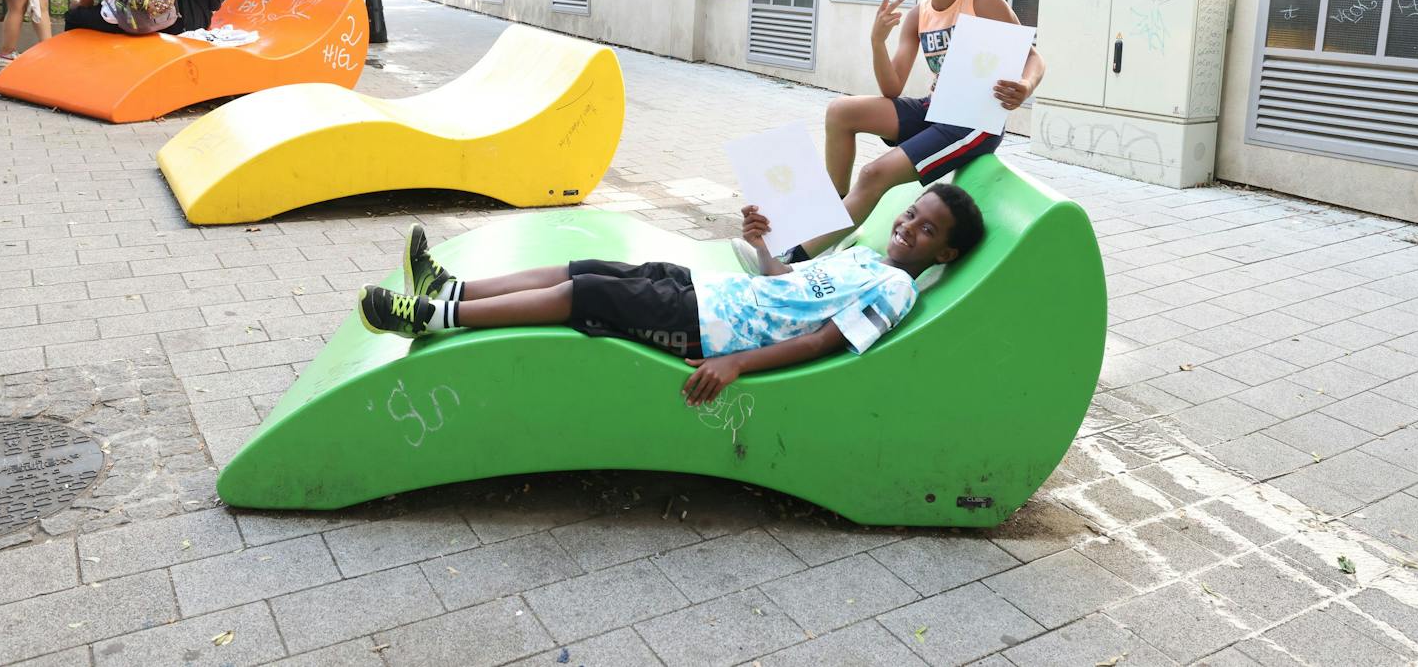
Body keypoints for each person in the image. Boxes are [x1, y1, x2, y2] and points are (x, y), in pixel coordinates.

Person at [355, 184, 986, 405]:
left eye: (926, 230)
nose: (907, 228)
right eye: (909, 215)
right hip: (712, 291)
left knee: (588, 293)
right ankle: (452, 286)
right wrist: (763, 245)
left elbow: (824, 341)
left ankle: (435, 317)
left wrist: (735, 362)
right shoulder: (866, 256)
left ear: (945, 253)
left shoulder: (895, 288)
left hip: (712, 330)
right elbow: (785, 288)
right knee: (595, 263)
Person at [777, 0, 1046, 268]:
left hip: (972, 123)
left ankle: (792, 260)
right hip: (935, 107)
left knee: (874, 174)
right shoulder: (918, 15)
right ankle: (832, 215)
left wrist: (1025, 85)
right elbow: (892, 87)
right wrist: (877, 41)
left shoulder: (982, 1)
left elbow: (1033, 57)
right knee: (841, 111)